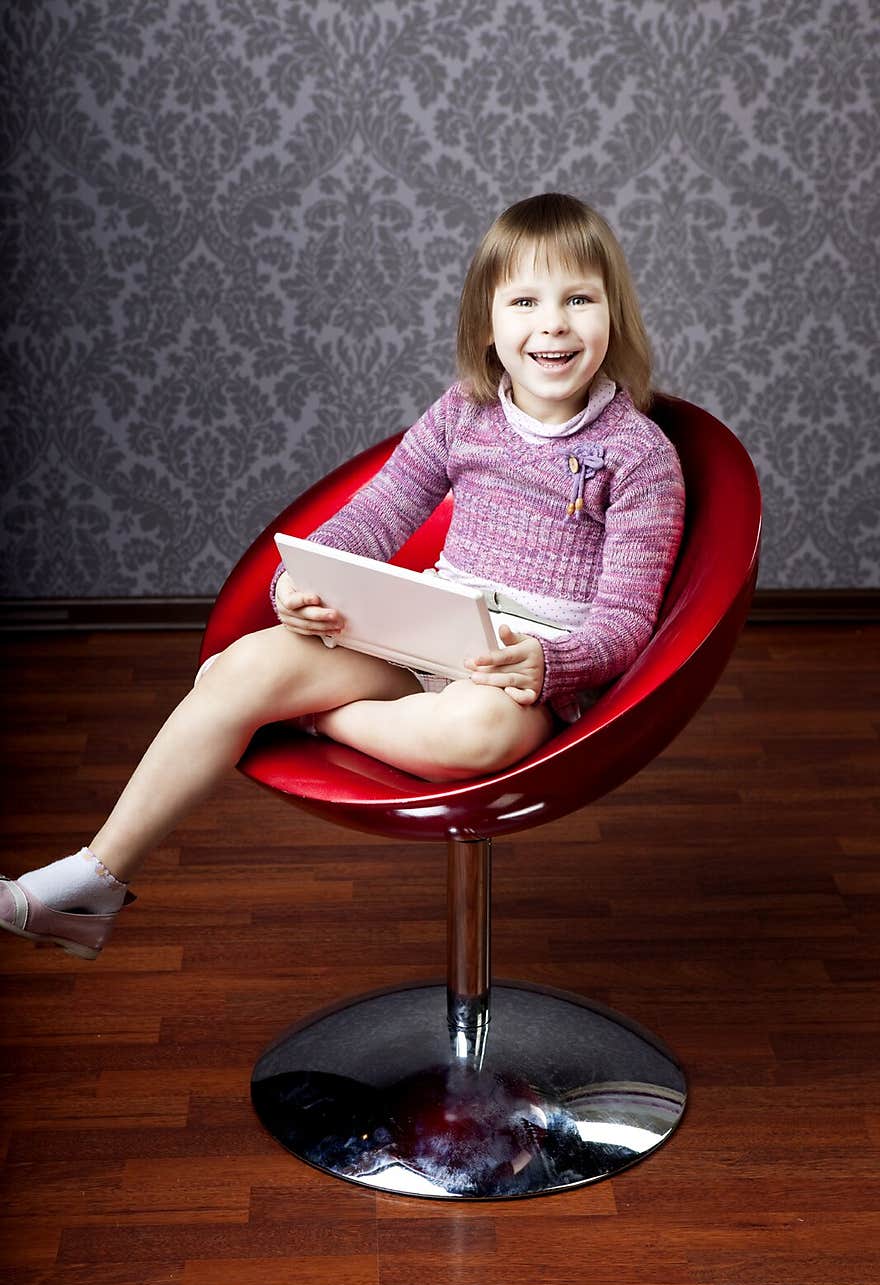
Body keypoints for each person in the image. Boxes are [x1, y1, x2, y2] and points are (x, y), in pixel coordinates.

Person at [1, 191, 686, 960]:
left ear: (613, 314)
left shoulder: (639, 455)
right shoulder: (465, 414)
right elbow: (376, 515)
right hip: (427, 635)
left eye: (579, 299)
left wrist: (551, 662)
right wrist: (299, 587)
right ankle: (94, 878)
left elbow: (628, 620)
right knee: (243, 664)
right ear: (487, 325)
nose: (552, 323)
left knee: (478, 728)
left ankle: (304, 714)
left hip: (522, 678)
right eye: (524, 300)